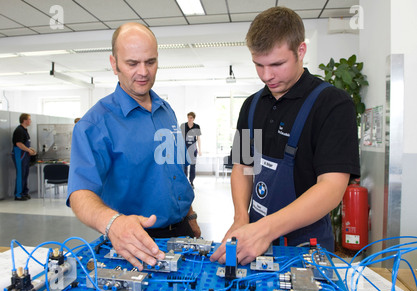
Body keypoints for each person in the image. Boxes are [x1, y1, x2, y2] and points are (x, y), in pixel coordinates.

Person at [210, 7, 360, 266]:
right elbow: (243, 166)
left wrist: (265, 229)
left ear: (300, 51)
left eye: (277, 64)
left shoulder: (332, 104)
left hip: (305, 245)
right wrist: (240, 219)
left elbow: (332, 187)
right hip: (254, 238)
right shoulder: (251, 105)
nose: (267, 76)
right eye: (259, 64)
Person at [67, 22, 200, 270]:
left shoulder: (165, 110)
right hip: (133, 241)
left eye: (150, 62)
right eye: (132, 63)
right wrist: (113, 223)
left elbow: (174, 172)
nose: (143, 72)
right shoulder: (95, 124)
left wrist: (189, 216)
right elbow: (79, 194)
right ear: (114, 63)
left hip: (183, 231)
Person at [12, 113, 37, 201]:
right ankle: (18, 194)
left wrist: (31, 149)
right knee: (20, 174)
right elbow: (19, 144)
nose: (30, 121)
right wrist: (29, 150)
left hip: (25, 155)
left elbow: (25, 143)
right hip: (20, 155)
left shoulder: (25, 130)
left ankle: (24, 192)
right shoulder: (19, 130)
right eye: (29, 119)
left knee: (25, 174)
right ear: (24, 120)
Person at [180, 112, 202, 188]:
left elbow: (198, 138)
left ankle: (191, 182)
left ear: (193, 118)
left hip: (193, 149)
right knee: (185, 166)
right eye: (188, 117)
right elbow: (180, 138)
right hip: (184, 148)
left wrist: (200, 150)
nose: (189, 119)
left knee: (193, 166)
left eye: (191, 118)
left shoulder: (197, 126)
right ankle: (185, 181)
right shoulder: (183, 126)